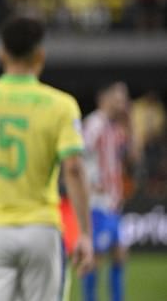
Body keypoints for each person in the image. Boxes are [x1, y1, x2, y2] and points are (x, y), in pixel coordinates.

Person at [0, 17, 94, 301]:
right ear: (40, 54)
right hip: (41, 229)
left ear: (1, 53)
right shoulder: (61, 105)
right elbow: (74, 169)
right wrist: (86, 233)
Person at [82, 81, 133, 301]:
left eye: (125, 98)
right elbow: (80, 154)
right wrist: (90, 181)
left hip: (113, 202)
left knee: (120, 253)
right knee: (96, 256)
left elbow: (132, 156)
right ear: (105, 98)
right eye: (119, 98)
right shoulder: (95, 124)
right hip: (97, 203)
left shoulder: (115, 127)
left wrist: (130, 121)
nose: (122, 103)